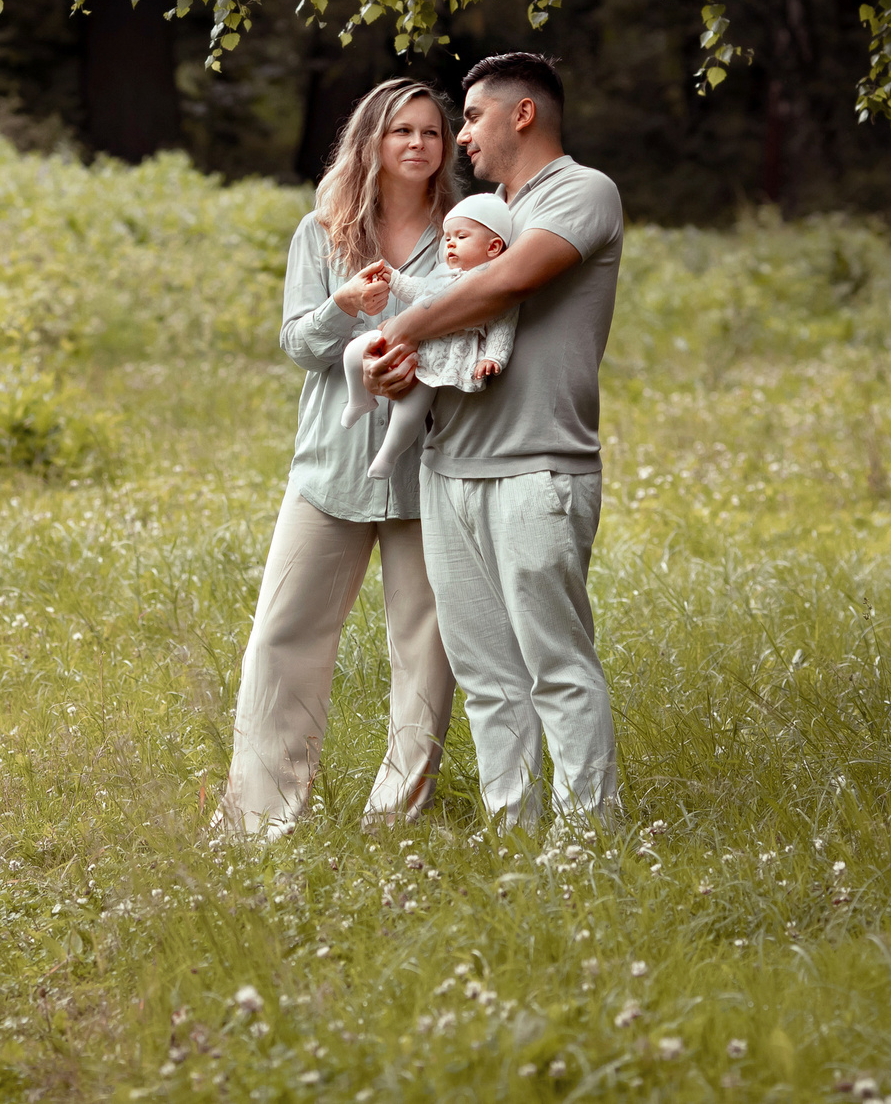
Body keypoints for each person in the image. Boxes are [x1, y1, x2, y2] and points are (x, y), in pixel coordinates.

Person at [363, 52, 625, 830]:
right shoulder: (476, 217)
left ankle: (587, 842)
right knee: (485, 675)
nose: (461, 134)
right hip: (446, 468)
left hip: (538, 469)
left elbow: (508, 282)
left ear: (523, 114)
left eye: (473, 115)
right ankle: (515, 832)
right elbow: (444, 319)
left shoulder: (582, 191)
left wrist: (402, 330)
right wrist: (391, 364)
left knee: (556, 667)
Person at [213, 79, 460, 838]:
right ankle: (260, 817)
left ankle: (397, 817)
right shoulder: (321, 232)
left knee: (425, 649)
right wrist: (342, 307)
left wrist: (418, 361)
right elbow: (298, 343)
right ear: (371, 141)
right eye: (401, 131)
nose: (418, 144)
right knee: (282, 635)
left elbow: (480, 332)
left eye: (431, 131)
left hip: (428, 466)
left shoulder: (466, 230)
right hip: (330, 465)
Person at [339, 195, 521, 480]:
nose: (450, 244)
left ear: (493, 247)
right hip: (405, 341)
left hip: (438, 359)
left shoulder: (490, 287)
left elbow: (503, 326)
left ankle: (387, 456)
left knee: (410, 409)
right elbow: (418, 289)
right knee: (353, 351)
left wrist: (493, 357)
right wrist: (393, 278)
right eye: (447, 238)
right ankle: (359, 399)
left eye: (461, 237)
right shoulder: (442, 274)